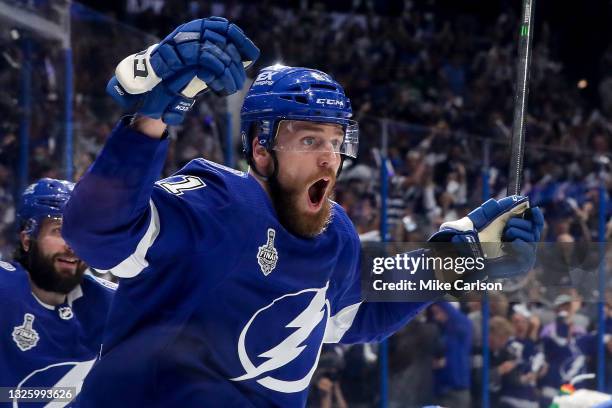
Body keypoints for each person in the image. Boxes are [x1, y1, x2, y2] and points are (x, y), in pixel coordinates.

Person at [62, 17, 544, 407]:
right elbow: (95, 233)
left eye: (336, 142)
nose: (329, 158)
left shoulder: (335, 234)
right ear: (261, 149)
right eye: (310, 139)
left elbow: (359, 313)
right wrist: (148, 119)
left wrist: (463, 257)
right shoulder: (215, 203)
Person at [0, 178, 115, 406]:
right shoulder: (4, 288)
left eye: (80, 234)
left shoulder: (110, 302)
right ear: (27, 239)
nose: (72, 245)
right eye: (59, 231)